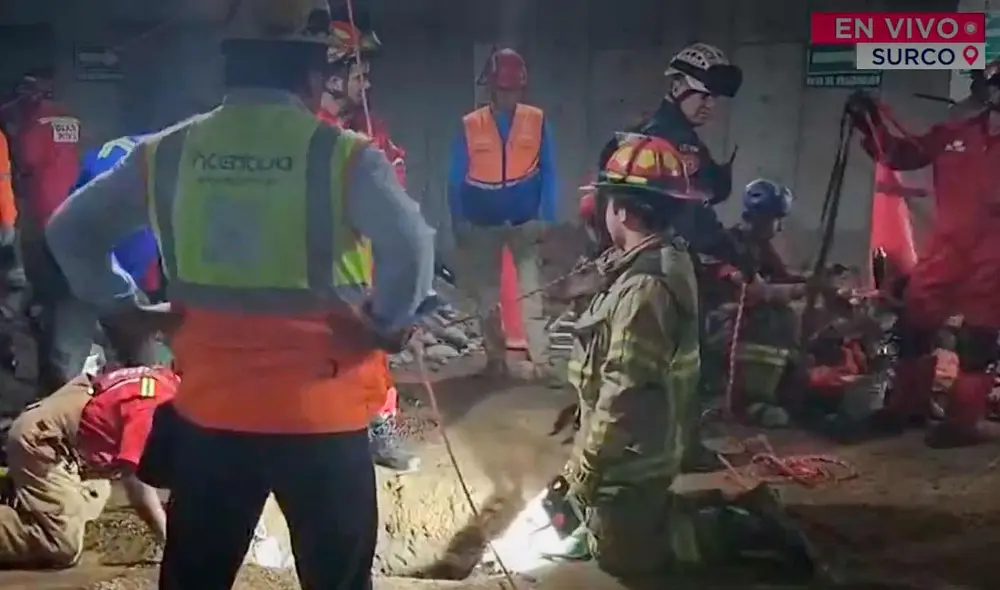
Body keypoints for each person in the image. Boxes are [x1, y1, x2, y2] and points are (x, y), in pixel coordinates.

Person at [44, 0, 437, 587]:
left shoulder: (169, 152)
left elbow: (68, 230)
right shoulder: (343, 155)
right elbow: (412, 248)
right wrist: (385, 319)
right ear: (310, 75)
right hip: (323, 422)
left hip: (212, 419)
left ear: (229, 69)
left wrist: (123, 307)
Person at [549, 135, 817, 582]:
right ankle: (628, 521)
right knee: (602, 526)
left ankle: (741, 526)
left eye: (607, 202)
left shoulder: (645, 288)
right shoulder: (653, 258)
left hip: (634, 454)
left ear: (623, 210)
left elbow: (625, 390)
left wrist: (585, 469)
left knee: (628, 559)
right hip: (632, 445)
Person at [848, 60, 1000, 448]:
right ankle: (907, 408)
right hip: (946, 252)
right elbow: (902, 154)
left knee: (977, 340)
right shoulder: (956, 133)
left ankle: (962, 424)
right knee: (914, 326)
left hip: (994, 257)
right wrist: (870, 126)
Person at [317, 14, 417, 473]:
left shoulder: (364, 126)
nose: (367, 82)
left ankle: (376, 423)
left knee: (373, 343)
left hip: (367, 257)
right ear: (331, 77)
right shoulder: (313, 134)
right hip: (328, 263)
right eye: (359, 74)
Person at [448, 47, 559, 380]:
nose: (509, 96)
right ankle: (495, 360)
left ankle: (542, 362)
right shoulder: (471, 125)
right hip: (482, 224)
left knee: (532, 293)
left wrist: (548, 217)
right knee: (487, 297)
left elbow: (549, 171)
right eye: (503, 89)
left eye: (514, 89)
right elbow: (455, 178)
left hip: (525, 222)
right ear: (491, 88)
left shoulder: (536, 121)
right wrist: (458, 220)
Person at [596, 43, 752, 277]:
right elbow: (690, 213)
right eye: (704, 96)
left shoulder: (648, 130)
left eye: (715, 98)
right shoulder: (672, 140)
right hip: (661, 264)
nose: (710, 105)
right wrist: (733, 255)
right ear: (677, 86)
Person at [0, 364, 175, 568]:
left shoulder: (169, 380)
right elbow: (136, 483)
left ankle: (19, 490)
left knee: (95, 495)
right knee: (62, 545)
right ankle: (27, 491)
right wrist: (169, 542)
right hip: (44, 443)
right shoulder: (149, 408)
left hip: (73, 447)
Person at [33, 134, 160, 394]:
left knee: (72, 360)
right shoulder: (150, 159)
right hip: (90, 274)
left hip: (103, 273)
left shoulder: (108, 155)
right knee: (74, 361)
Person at [700, 179, 807, 424]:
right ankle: (747, 400)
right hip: (717, 326)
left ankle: (779, 387)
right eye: (776, 219)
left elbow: (782, 276)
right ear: (760, 217)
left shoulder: (762, 248)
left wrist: (817, 280)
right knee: (774, 318)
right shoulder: (730, 245)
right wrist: (803, 289)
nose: (779, 228)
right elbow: (756, 292)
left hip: (735, 323)